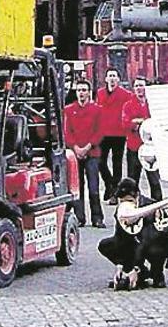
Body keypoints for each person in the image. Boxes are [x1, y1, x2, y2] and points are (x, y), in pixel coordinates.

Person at [97, 177, 168, 290]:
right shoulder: (121, 211)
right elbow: (121, 239)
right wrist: (123, 267)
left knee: (154, 248)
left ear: (137, 195)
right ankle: (142, 274)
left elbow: (150, 240)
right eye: (122, 201)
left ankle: (157, 273)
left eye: (129, 200)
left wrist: (134, 268)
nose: (125, 205)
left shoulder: (151, 207)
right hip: (138, 243)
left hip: (157, 242)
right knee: (106, 244)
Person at [62, 81, 105, 228]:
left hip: (92, 153)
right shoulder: (68, 110)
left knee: (93, 187)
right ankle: (80, 217)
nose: (81, 93)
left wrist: (87, 147)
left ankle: (97, 218)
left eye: (84, 90)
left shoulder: (97, 110)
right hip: (75, 154)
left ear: (89, 92)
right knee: (77, 187)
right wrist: (76, 148)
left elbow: (100, 132)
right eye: (79, 90)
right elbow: (67, 133)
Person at [96, 68, 132, 205]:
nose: (111, 78)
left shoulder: (126, 94)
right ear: (105, 79)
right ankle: (110, 185)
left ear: (118, 79)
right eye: (109, 76)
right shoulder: (99, 93)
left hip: (119, 133)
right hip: (103, 132)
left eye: (114, 76)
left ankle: (115, 193)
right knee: (100, 162)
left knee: (117, 164)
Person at [121, 77, 161, 201]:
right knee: (133, 181)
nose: (139, 88)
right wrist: (143, 122)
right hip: (134, 147)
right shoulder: (128, 105)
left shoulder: (154, 105)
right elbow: (125, 124)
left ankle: (158, 210)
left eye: (141, 85)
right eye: (136, 86)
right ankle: (132, 209)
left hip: (151, 148)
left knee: (154, 181)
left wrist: (137, 121)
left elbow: (158, 122)